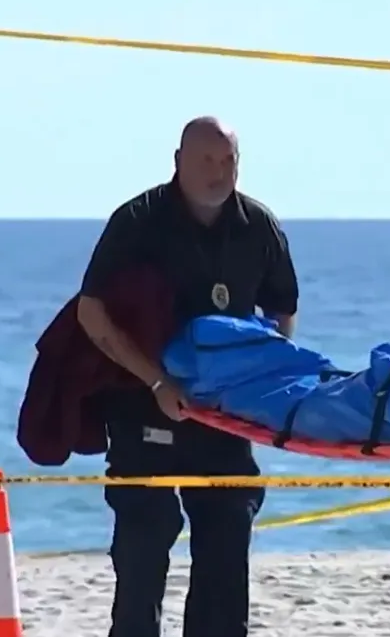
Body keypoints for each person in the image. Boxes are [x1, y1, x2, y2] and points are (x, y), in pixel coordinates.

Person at [76, 116, 300, 637]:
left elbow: (283, 309)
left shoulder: (257, 225)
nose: (218, 172)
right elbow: (92, 311)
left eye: (229, 161)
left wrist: (260, 381)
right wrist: (156, 381)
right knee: (143, 546)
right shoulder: (139, 220)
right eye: (206, 160)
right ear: (178, 160)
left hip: (224, 416)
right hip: (143, 402)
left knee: (227, 540)